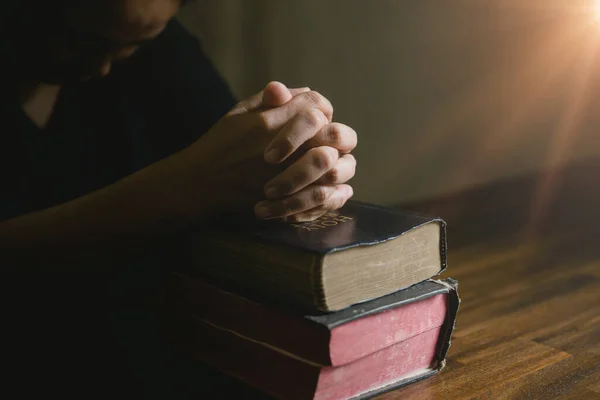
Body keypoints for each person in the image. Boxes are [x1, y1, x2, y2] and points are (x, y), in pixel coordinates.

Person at [1, 0, 357, 395]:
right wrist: (180, 187)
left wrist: (300, 166)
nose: (101, 67)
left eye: (131, 46)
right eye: (77, 39)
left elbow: (237, 171)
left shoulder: (163, 52)